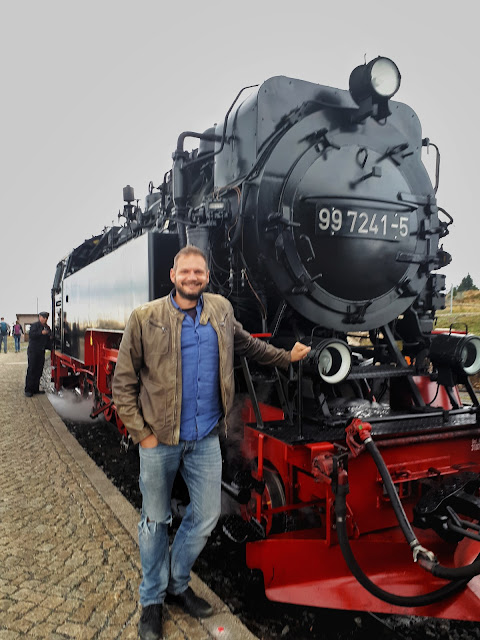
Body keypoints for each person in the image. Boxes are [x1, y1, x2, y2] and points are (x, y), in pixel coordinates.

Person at [112, 246, 311, 640]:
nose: (192, 277)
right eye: (185, 271)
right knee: (155, 523)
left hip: (204, 439)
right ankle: (151, 599)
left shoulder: (219, 309)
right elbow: (123, 383)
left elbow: (249, 346)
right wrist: (143, 436)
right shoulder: (145, 318)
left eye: (198, 271)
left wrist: (287, 358)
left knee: (204, 517)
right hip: (160, 440)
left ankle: (177, 582)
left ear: (206, 276)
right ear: (172, 275)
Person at [24, 312, 52, 397]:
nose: (45, 319)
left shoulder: (47, 327)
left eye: (46, 318)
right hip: (33, 351)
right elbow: (31, 335)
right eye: (44, 317)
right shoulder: (35, 325)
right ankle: (28, 389)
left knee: (39, 370)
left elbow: (49, 338)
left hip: (41, 351)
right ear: (40, 317)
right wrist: (41, 333)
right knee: (32, 369)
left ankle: (35, 389)